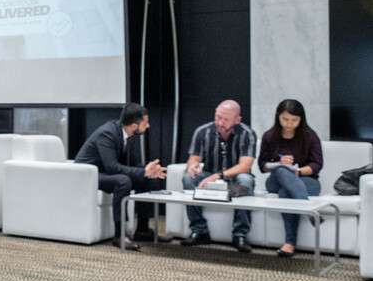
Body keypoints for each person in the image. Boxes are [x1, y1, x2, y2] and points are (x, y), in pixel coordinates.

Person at [73, 103, 167, 250]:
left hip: (105, 173)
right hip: (88, 175)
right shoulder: (107, 134)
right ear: (134, 125)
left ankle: (142, 230)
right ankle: (120, 236)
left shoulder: (128, 134)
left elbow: (133, 165)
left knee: (150, 180)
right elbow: (112, 167)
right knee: (123, 181)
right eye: (145, 123)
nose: (148, 126)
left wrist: (149, 172)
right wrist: (143, 171)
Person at [181, 99, 257, 252]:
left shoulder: (247, 133)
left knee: (245, 179)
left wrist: (219, 175)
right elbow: (193, 159)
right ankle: (199, 229)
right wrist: (193, 166)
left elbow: (245, 166)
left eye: (225, 119)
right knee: (188, 178)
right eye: (218, 117)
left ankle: (239, 234)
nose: (220, 122)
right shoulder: (202, 131)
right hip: (209, 176)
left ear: (237, 120)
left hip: (234, 179)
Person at [258, 98, 324, 257]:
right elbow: (262, 165)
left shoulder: (310, 136)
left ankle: (289, 244)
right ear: (278, 117)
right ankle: (309, 209)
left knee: (285, 192)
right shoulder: (269, 136)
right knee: (281, 170)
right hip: (275, 180)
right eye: (285, 119)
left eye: (294, 120)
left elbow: (317, 164)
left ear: (301, 119)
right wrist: (279, 164)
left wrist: (297, 172)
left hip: (307, 181)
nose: (289, 123)